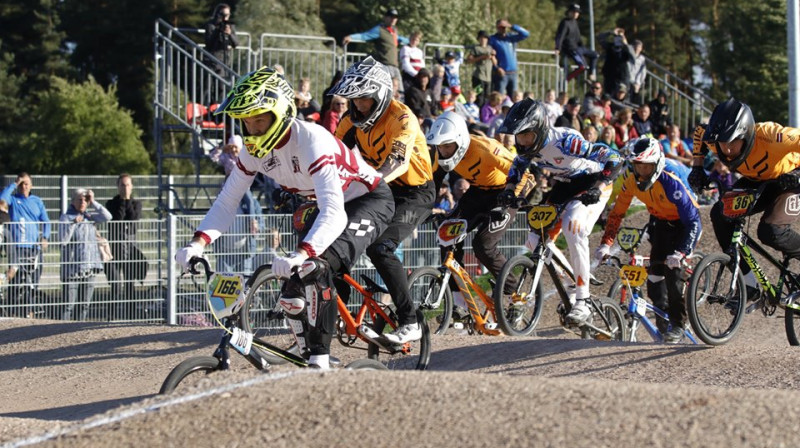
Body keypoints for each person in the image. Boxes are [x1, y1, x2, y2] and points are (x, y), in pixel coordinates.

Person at [175, 67, 394, 370]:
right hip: (326, 201)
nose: (252, 130)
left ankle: (321, 358)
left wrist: (301, 253)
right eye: (246, 122)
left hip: (367, 198)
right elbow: (227, 202)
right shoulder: (253, 151)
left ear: (280, 114)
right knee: (291, 288)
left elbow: (334, 212)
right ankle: (307, 349)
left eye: (260, 119)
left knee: (315, 265)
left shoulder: (311, 140)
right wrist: (197, 243)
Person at [331, 56, 434, 344]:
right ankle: (336, 304)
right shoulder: (350, 120)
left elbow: (397, 162)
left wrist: (366, 183)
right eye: (354, 100)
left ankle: (409, 320)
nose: (358, 106)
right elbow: (331, 155)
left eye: (364, 99)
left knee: (381, 247)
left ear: (380, 95)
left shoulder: (402, 118)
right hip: (378, 187)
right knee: (332, 232)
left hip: (414, 192)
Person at [498, 99, 623, 323]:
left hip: (592, 182)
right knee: (534, 240)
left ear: (539, 128)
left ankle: (583, 302)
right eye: (518, 136)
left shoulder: (567, 142)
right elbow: (518, 165)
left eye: (526, 135)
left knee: (573, 224)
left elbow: (614, 157)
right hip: (564, 185)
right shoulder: (528, 148)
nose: (522, 142)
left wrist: (599, 187)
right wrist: (509, 190)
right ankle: (571, 282)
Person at [689, 98, 800, 301]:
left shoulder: (771, 136)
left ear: (746, 135)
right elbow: (699, 133)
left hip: (789, 179)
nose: (727, 149)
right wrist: (697, 167)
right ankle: (749, 283)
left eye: (733, 142)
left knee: (770, 231)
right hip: (756, 180)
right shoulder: (716, 140)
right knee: (720, 214)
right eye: (723, 144)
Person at [596, 138, 701, 343]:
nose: (642, 172)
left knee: (673, 275)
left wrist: (681, 252)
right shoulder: (630, 180)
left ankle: (679, 324)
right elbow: (617, 214)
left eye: (647, 167)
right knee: (654, 278)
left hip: (685, 223)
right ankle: (664, 320)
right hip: (660, 220)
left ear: (657, 163)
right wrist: (605, 243)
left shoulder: (671, 181)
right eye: (637, 166)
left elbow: (693, 222)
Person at [428, 111, 518, 316]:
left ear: (460, 140)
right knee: (447, 236)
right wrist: (423, 209)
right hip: (477, 192)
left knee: (483, 245)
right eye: (439, 147)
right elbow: (432, 185)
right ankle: (460, 303)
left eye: (447, 146)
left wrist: (510, 198)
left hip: (504, 192)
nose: (442, 152)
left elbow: (523, 173)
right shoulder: (440, 155)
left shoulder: (486, 148)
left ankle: (514, 292)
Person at [1, 173, 50, 318]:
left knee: (33, 282)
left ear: (31, 185)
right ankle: (11, 311)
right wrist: (13, 184)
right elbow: (2, 198)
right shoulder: (13, 200)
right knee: (16, 281)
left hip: (34, 249)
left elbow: (46, 221)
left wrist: (45, 237)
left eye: (27, 183)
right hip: (17, 248)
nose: (24, 186)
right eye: (22, 184)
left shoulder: (37, 201)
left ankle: (29, 312)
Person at [60, 188, 112, 321]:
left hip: (90, 266)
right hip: (72, 269)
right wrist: (73, 224)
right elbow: (63, 240)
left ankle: (77, 331)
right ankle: (58, 331)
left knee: (84, 305)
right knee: (68, 305)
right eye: (80, 199)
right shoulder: (66, 217)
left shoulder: (89, 217)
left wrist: (93, 202)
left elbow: (108, 217)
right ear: (73, 201)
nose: (83, 202)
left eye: (85, 199)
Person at [342, 8, 408, 97]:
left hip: (395, 66)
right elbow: (365, 36)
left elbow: (401, 39)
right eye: (390, 16)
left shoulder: (393, 31)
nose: (393, 19)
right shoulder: (379, 30)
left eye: (395, 17)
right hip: (385, 66)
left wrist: (411, 41)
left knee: (400, 93)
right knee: (387, 93)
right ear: (385, 17)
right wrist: (351, 37)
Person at [105, 173, 144, 320]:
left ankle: (130, 316)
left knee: (129, 285)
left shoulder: (137, 204)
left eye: (127, 185)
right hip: (115, 249)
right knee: (115, 285)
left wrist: (128, 202)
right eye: (122, 185)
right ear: (117, 186)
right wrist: (122, 202)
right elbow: (118, 219)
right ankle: (111, 316)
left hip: (130, 249)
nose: (125, 188)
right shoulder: (111, 204)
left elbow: (133, 220)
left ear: (132, 186)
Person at [554, 4, 598, 82]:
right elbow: (560, 36)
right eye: (574, 12)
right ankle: (567, 79)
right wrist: (558, 48)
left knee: (595, 55)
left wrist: (582, 46)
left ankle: (590, 74)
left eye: (577, 12)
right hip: (571, 49)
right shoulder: (565, 22)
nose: (576, 14)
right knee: (582, 67)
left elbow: (578, 37)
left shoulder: (575, 22)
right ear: (569, 12)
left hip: (578, 48)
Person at [204, 3, 238, 103]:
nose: (225, 18)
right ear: (218, 14)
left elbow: (236, 43)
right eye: (223, 15)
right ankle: (203, 110)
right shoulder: (211, 25)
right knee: (207, 87)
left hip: (224, 61)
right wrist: (218, 31)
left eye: (227, 15)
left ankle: (218, 112)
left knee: (221, 89)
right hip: (211, 60)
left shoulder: (230, 26)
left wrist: (229, 34)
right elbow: (209, 44)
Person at [489, 18, 530, 96]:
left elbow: (526, 34)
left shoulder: (511, 38)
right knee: (498, 97)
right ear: (497, 27)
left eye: (504, 27)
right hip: (502, 73)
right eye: (500, 27)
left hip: (513, 73)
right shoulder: (493, 39)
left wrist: (512, 26)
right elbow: (491, 55)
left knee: (513, 97)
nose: (502, 29)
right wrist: (497, 68)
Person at [599, 28, 634, 97]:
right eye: (616, 37)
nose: (618, 39)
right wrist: (610, 32)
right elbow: (600, 38)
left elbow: (633, 58)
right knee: (608, 96)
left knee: (621, 96)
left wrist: (626, 44)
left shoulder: (626, 48)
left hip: (622, 76)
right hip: (610, 76)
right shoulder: (610, 46)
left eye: (620, 37)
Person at [467, 30, 497, 107]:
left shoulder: (490, 48)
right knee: (478, 97)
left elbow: (495, 63)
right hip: (478, 76)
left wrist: (492, 56)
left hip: (488, 78)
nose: (483, 40)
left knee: (487, 97)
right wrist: (482, 57)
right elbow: (469, 60)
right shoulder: (476, 48)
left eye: (485, 38)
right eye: (481, 38)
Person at [628, 40, 646, 105]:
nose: (637, 49)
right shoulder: (628, 56)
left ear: (641, 49)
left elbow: (643, 72)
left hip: (636, 83)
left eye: (639, 47)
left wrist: (639, 83)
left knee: (635, 99)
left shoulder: (642, 58)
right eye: (636, 47)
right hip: (628, 80)